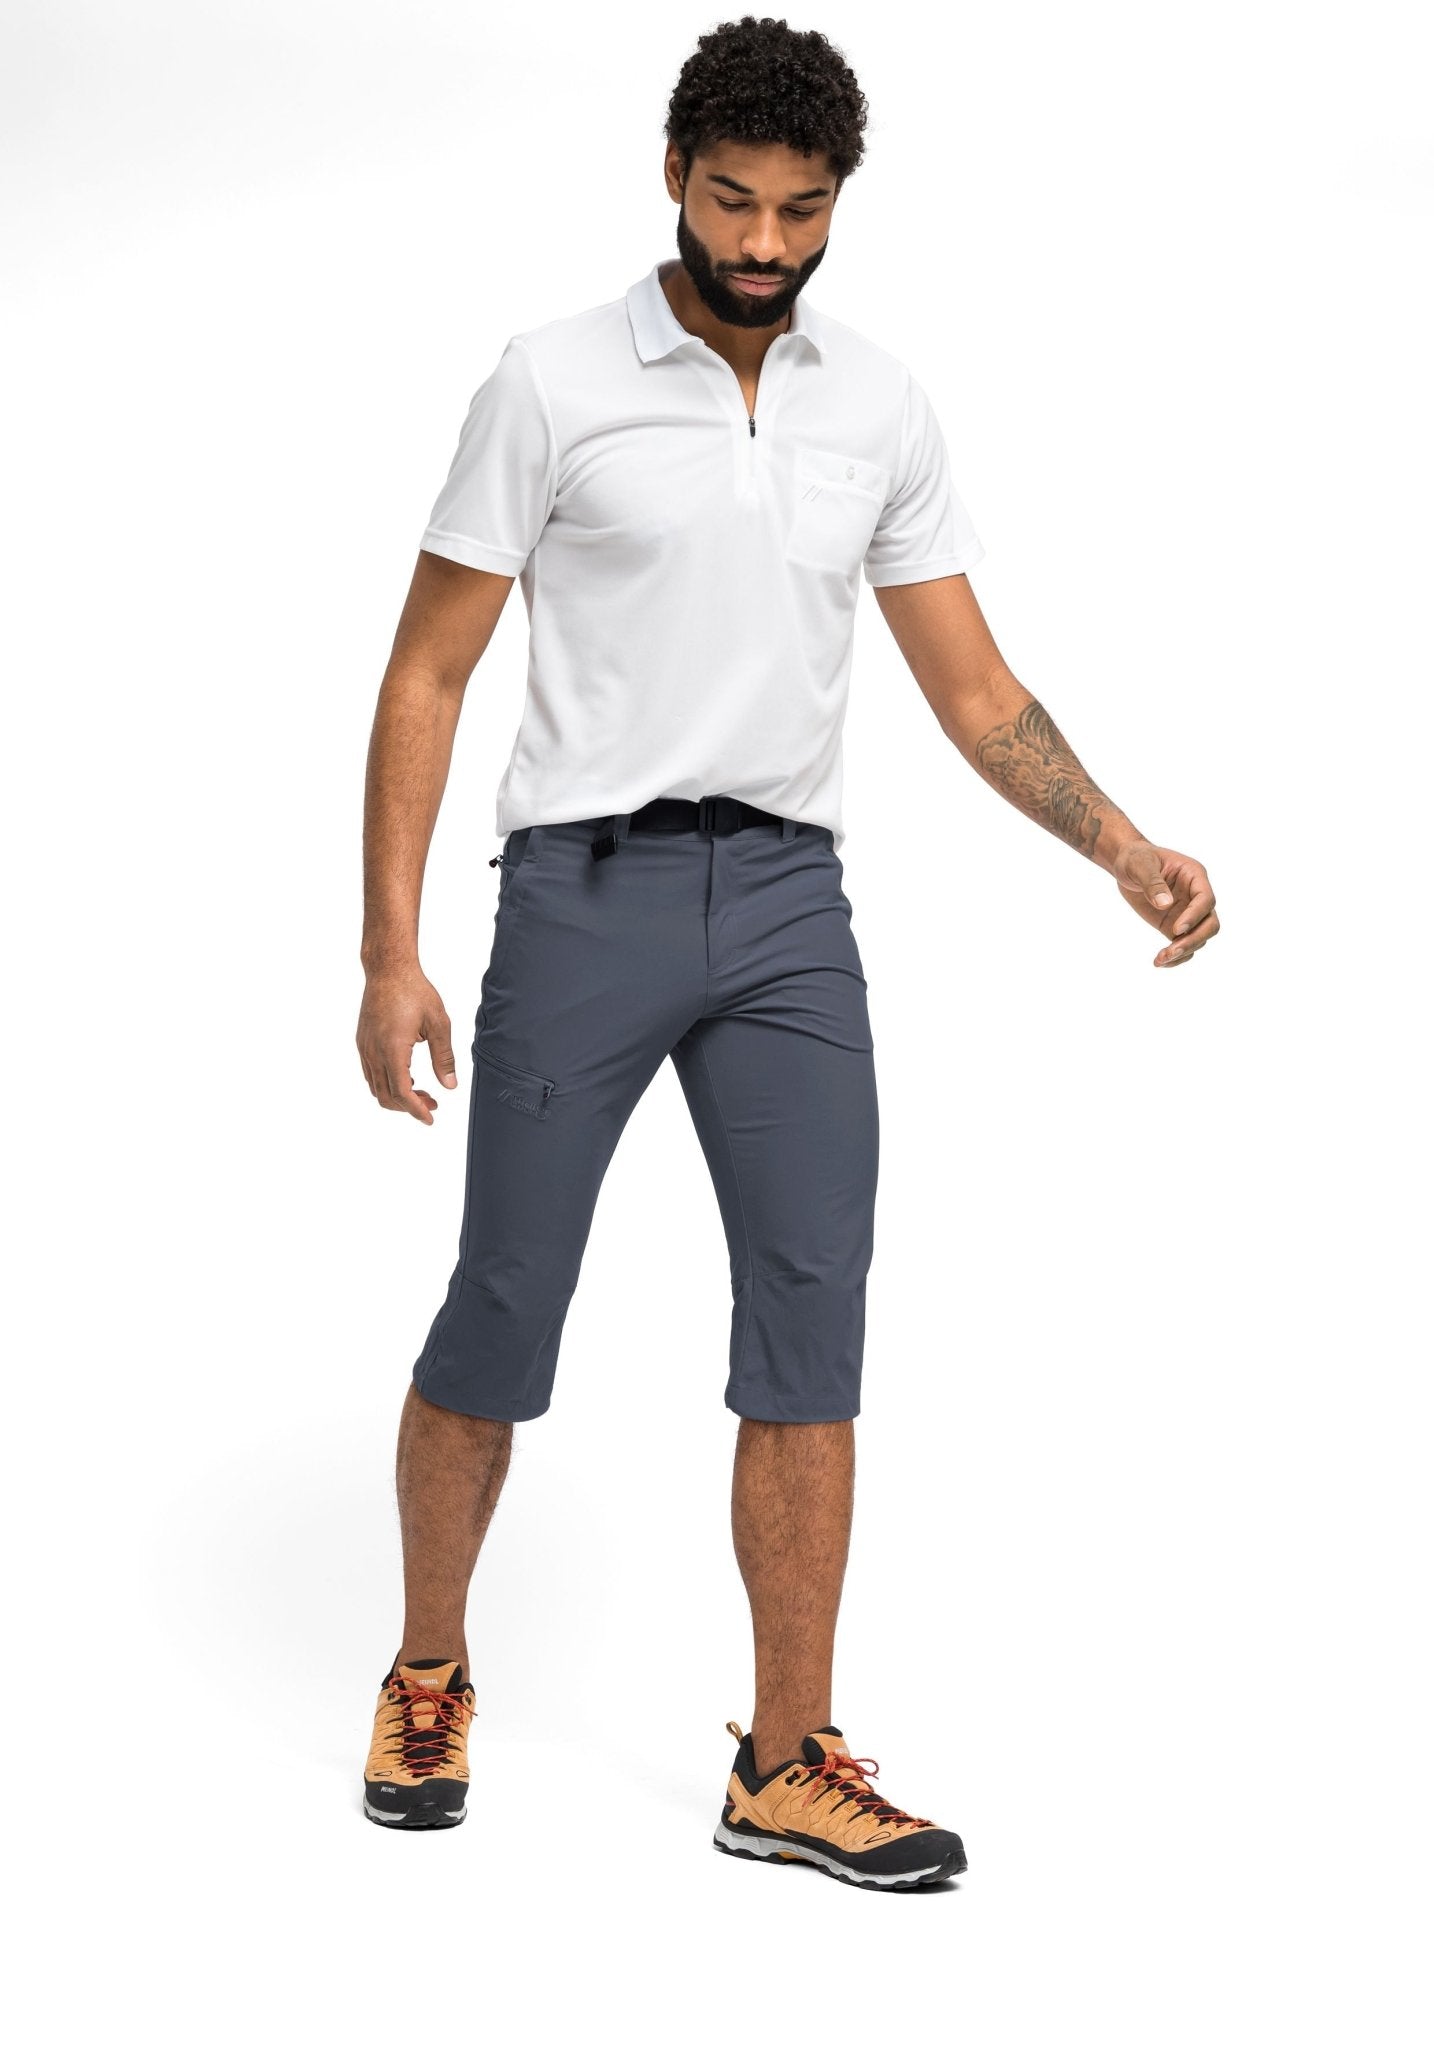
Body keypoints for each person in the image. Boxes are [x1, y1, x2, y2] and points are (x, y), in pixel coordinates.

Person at [355, 15, 1219, 1888]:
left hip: (785, 914)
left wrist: (1119, 845)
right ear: (674, 178)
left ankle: (784, 1760)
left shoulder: (875, 405)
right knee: (506, 1297)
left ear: (839, 201)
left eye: (800, 209)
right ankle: (427, 1672)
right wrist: (387, 950)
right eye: (733, 200)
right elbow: (428, 669)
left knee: (812, 1321)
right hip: (580, 894)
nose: (761, 243)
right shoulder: (549, 380)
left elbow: (972, 688)